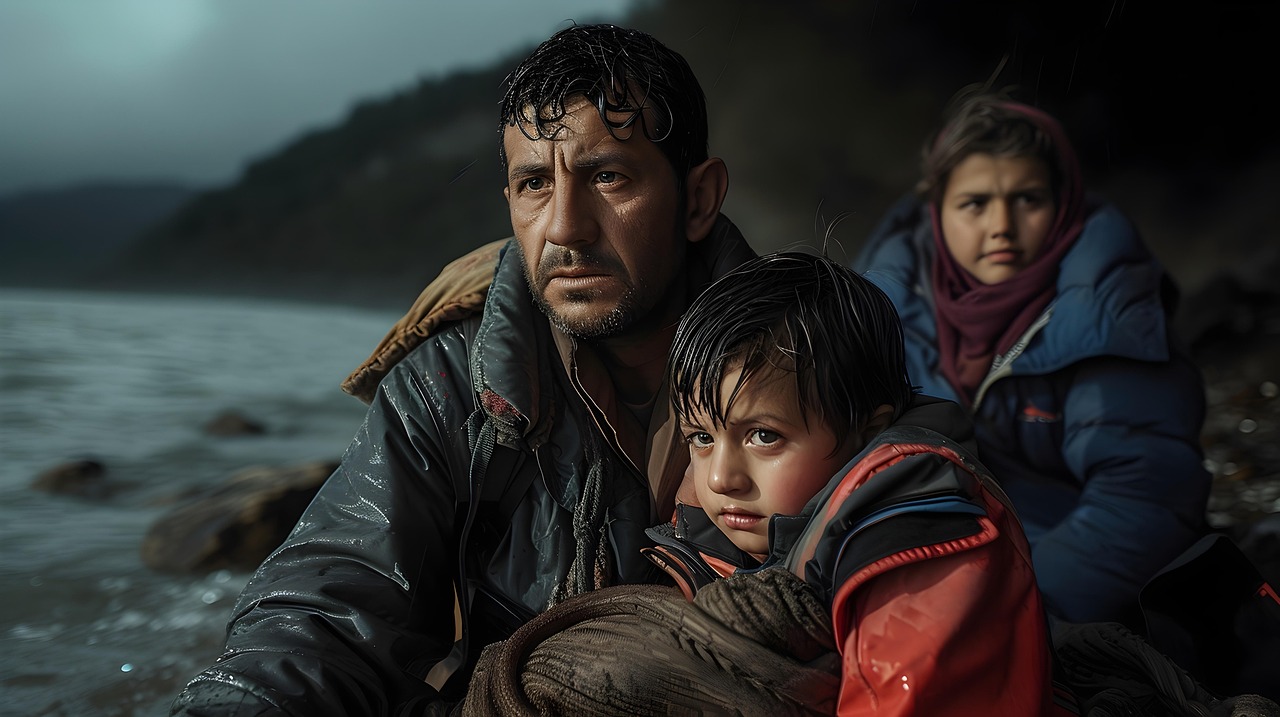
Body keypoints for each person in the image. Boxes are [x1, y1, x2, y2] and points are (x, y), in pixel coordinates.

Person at [170, 23, 755, 716]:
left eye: (607, 176)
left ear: (697, 199)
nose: (566, 227)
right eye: (535, 183)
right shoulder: (452, 380)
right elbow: (325, 610)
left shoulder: (809, 368)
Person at [456, 252, 1074, 716]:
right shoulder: (710, 542)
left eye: (764, 437)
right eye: (701, 438)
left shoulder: (920, 530)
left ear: (867, 429)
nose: (721, 478)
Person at [851, 87, 1212, 626]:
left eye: (1028, 200)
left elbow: (1145, 499)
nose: (1002, 225)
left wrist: (1017, 618)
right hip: (919, 574)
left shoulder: (1106, 316)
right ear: (936, 214)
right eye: (975, 203)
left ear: (1063, 205)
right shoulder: (878, 311)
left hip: (1068, 600)